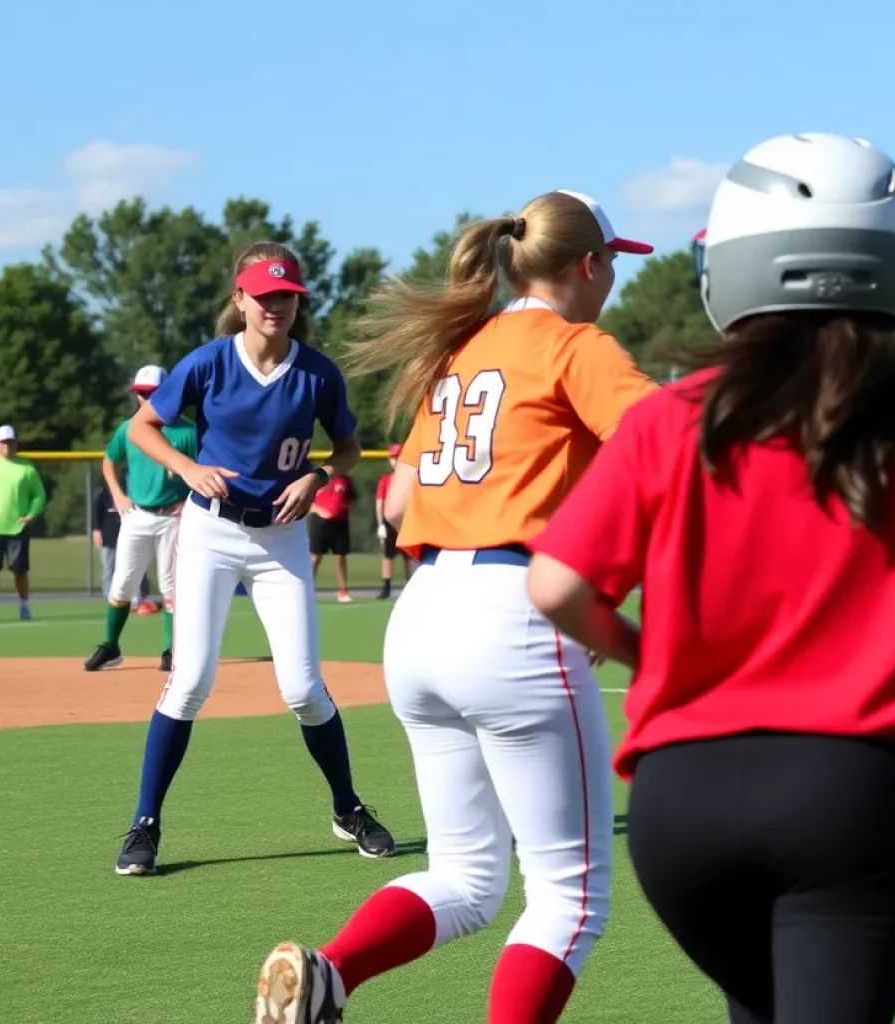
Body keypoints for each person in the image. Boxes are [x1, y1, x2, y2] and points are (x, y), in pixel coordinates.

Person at [526, 134, 895, 1024]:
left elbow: (555, 586)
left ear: (731, 268)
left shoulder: (668, 421)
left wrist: (650, 653)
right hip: (852, 799)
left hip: (681, 806)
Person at [253, 190, 658, 1024]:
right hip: (514, 614)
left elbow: (399, 501)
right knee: (569, 900)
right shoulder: (574, 345)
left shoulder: (461, 348)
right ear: (587, 263)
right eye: (614, 260)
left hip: (425, 613)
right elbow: (666, 451)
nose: (615, 277)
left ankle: (330, 974)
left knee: (468, 878)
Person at [112, 241, 395, 877]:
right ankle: (145, 824)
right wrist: (189, 467)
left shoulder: (317, 373)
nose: (276, 306)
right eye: (264, 296)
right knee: (190, 681)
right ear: (239, 299)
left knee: (301, 686)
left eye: (286, 296)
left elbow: (348, 447)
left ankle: (347, 807)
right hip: (211, 534)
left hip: (282, 538)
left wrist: (319, 475)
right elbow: (140, 428)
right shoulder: (209, 363)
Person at [85, 366, 197, 673]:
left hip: (173, 518)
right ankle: (111, 646)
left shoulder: (187, 432)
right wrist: (119, 496)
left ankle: (171, 650)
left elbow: (205, 471)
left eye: (150, 393)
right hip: (137, 515)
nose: (143, 398)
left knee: (171, 586)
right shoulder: (129, 429)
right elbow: (109, 462)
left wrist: (190, 501)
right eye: (140, 393)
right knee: (122, 584)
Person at [0, 425, 46, 623]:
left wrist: (30, 515)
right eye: (3, 442)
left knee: (20, 571)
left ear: (16, 443)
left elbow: (38, 496)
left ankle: (24, 605)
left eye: (10, 442)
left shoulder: (27, 468)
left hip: (17, 528)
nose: (7, 445)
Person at [91, 478, 155, 611]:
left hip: (127, 537)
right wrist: (96, 531)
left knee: (134, 568)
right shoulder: (103, 496)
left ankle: (138, 600)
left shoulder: (131, 493)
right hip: (108, 539)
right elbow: (96, 515)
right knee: (109, 569)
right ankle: (110, 599)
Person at [307, 472, 357, 602]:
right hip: (319, 522)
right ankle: (308, 589)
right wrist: (319, 511)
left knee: (340, 556)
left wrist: (347, 511)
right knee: (316, 557)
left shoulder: (346, 480)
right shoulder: (318, 478)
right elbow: (308, 500)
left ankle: (343, 591)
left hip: (340, 523)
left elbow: (352, 500)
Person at [374, 444, 412, 599]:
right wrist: (380, 524)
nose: (394, 461)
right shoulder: (385, 479)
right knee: (387, 555)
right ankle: (386, 586)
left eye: (397, 457)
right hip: (389, 521)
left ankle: (410, 586)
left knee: (408, 556)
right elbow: (380, 502)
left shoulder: (409, 479)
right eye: (392, 457)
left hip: (406, 520)